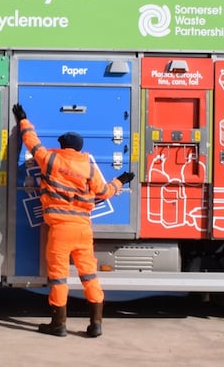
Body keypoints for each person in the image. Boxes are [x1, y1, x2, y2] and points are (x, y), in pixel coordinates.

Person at [12, 103, 134, 338]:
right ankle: (96, 323)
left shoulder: (51, 160)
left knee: (58, 277)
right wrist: (120, 180)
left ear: (63, 146)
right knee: (89, 275)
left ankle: (58, 324)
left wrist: (23, 120)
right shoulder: (88, 167)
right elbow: (103, 192)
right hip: (83, 230)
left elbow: (31, 143)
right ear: (79, 148)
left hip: (60, 229)